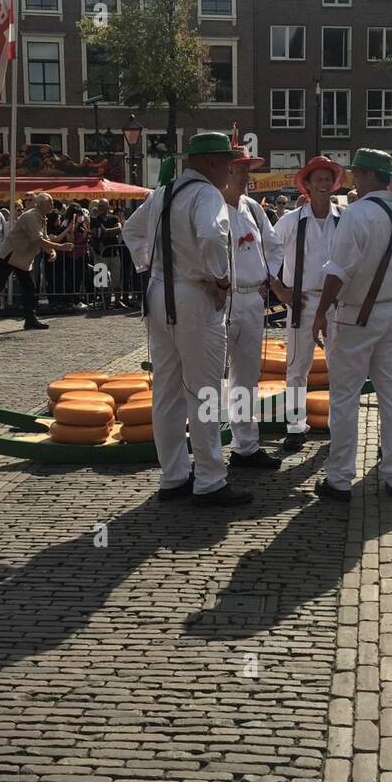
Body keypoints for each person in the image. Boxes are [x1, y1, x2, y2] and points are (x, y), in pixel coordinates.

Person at [121, 132, 250, 506]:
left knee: (167, 391)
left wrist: (150, 264)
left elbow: (131, 230)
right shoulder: (207, 194)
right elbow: (211, 235)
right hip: (194, 295)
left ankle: (174, 476)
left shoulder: (162, 193)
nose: (230, 170)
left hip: (159, 294)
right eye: (227, 163)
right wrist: (220, 279)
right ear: (211, 163)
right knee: (205, 390)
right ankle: (210, 479)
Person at [313, 148, 392, 502]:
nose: (353, 180)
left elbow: (338, 271)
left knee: (345, 396)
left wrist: (320, 311)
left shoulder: (357, 214)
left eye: (357, 173)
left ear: (369, 176)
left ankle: (339, 478)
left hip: (356, 315)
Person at [272, 155, 344, 451]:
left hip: (338, 303)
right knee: (296, 367)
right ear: (308, 186)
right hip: (301, 301)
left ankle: (338, 424)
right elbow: (266, 256)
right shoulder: (290, 221)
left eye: (328, 179)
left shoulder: (345, 219)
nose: (324, 184)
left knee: (340, 367)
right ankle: (295, 426)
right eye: (318, 180)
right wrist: (280, 291)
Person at [221, 144, 284, 470]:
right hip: (218, 301)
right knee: (208, 377)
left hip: (250, 300)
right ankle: (206, 453)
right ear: (227, 169)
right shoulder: (210, 205)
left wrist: (268, 277)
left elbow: (274, 245)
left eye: (249, 168)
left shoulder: (253, 209)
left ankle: (245, 446)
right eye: (243, 168)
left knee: (246, 377)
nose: (248, 175)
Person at [0, 191, 71, 330]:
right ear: (41, 204)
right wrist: (59, 247)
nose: (52, 205)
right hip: (10, 255)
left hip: (21, 258)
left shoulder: (41, 217)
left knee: (28, 287)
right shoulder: (31, 216)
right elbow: (38, 239)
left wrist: (51, 251)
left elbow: (44, 238)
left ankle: (30, 319)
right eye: (50, 203)